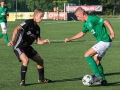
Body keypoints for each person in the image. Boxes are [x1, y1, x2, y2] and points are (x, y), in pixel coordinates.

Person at [65, 7, 115, 85]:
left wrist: (112, 33)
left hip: (104, 41)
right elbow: (82, 33)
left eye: (78, 16)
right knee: (97, 61)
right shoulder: (85, 23)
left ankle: (98, 76)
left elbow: (106, 21)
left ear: (82, 13)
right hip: (103, 42)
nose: (78, 18)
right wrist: (70, 38)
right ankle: (103, 80)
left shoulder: (92, 18)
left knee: (87, 55)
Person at [8, 8, 52, 86]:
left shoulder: (37, 28)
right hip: (19, 46)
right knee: (25, 60)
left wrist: (44, 41)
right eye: (41, 16)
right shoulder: (28, 22)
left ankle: (41, 79)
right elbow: (16, 29)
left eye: (43, 16)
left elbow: (38, 42)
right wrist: (12, 40)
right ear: (35, 15)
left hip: (27, 47)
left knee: (40, 61)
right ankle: (22, 82)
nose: (42, 18)